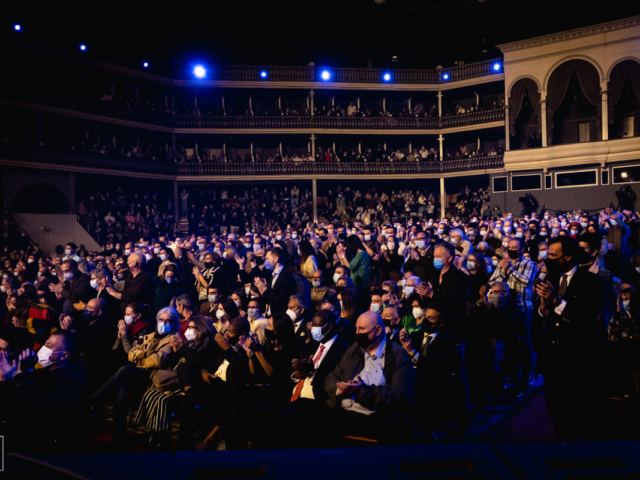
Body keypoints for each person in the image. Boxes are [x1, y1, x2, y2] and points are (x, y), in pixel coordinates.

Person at [533, 236, 605, 441]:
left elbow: (587, 316)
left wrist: (556, 300)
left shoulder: (589, 280)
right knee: (556, 410)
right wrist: (544, 308)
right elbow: (541, 318)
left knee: (577, 412)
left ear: (568, 256)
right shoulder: (550, 279)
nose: (549, 260)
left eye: (554, 256)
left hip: (577, 356)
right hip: (553, 355)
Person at [91, 306, 180, 445]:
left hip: (156, 377)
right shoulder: (150, 335)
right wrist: (145, 354)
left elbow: (158, 360)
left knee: (125, 370)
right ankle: (119, 433)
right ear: (157, 321)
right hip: (141, 373)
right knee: (124, 385)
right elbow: (131, 353)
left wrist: (141, 358)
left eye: (168, 321)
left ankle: (94, 400)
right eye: (161, 320)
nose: (164, 323)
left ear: (174, 323)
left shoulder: (174, 338)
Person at [324, 311, 415, 445]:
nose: (357, 333)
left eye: (362, 329)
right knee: (315, 419)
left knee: (388, 425)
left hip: (376, 415)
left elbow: (400, 395)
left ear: (378, 329)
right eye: (356, 328)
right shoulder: (354, 349)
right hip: (345, 411)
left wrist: (361, 391)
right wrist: (339, 389)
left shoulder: (398, 355)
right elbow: (332, 376)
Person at [0, 330, 89, 454]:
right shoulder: (46, 373)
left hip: (53, 450)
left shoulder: (73, 384)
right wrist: (6, 379)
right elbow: (13, 405)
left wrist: (23, 376)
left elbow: (35, 413)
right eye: (44, 344)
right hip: (32, 440)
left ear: (64, 356)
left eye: (49, 346)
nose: (42, 349)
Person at [272, 310, 349, 448]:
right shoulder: (310, 346)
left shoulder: (343, 350)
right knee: (262, 412)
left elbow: (337, 379)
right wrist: (299, 371)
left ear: (329, 326)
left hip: (319, 399)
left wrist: (314, 370)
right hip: (297, 393)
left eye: (317, 325)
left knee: (281, 418)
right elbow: (295, 375)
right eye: (312, 324)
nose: (313, 328)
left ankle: (288, 461)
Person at [399, 303, 464, 430]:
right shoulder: (415, 336)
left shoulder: (447, 342)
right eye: (426, 316)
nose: (426, 320)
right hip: (411, 378)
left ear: (440, 324)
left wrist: (412, 353)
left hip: (432, 382)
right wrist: (400, 345)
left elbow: (436, 367)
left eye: (431, 318)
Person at [489, 237, 536, 384]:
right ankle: (509, 370)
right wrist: (503, 271)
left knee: (524, 340)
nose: (511, 249)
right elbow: (492, 282)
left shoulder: (529, 263)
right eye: (509, 247)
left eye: (514, 247)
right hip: (504, 308)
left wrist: (508, 269)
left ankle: (528, 372)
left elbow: (525, 282)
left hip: (522, 306)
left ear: (522, 249)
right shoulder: (503, 263)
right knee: (506, 340)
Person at [254, 247, 297, 316]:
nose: (265, 262)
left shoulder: (286, 277)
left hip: (279, 316)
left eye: (267, 259)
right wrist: (262, 290)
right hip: (270, 315)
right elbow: (270, 299)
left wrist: (266, 290)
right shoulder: (273, 274)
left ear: (276, 259)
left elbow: (281, 302)